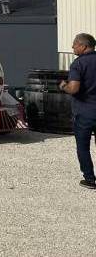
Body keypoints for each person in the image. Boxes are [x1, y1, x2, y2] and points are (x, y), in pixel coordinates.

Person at [61, 32, 96, 189]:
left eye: (75, 44)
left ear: (83, 46)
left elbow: (74, 88)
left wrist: (63, 86)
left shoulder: (78, 64)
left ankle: (89, 179)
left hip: (85, 113)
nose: (72, 46)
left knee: (83, 146)